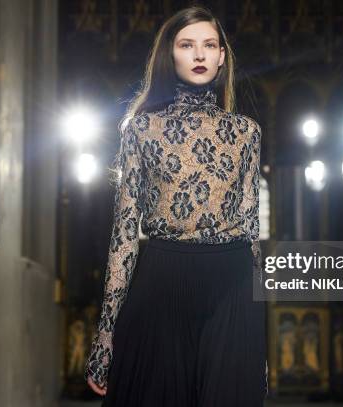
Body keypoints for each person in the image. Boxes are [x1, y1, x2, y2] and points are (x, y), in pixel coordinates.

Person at [83, 6, 267, 407]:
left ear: (222, 56)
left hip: (233, 284)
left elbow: (252, 232)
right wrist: (106, 333)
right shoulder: (141, 129)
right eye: (187, 45)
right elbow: (124, 235)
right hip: (164, 278)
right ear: (171, 54)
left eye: (209, 45)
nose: (199, 55)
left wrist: (258, 337)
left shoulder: (246, 133)